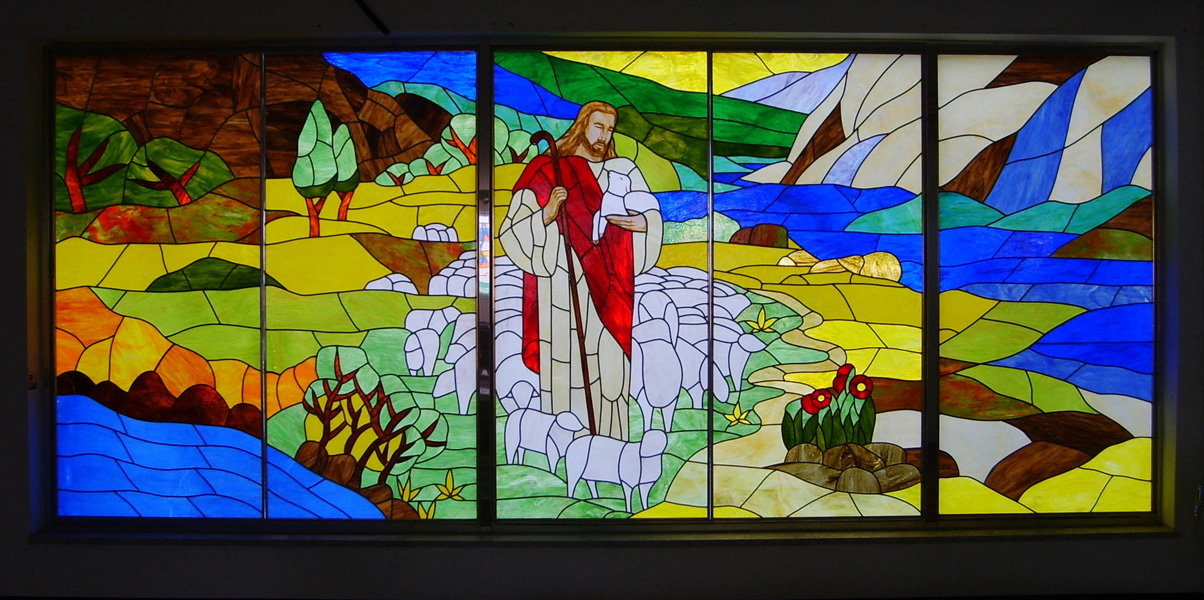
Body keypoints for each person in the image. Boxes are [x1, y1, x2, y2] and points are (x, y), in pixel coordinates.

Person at [499, 101, 663, 442]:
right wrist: (547, 213)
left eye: (610, 130)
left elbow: (650, 214)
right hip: (562, 283)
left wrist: (644, 223)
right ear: (582, 125)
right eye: (598, 126)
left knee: (610, 367)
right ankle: (564, 445)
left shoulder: (624, 169)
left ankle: (612, 442)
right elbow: (512, 231)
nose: (604, 136)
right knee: (566, 361)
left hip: (613, 287)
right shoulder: (547, 170)